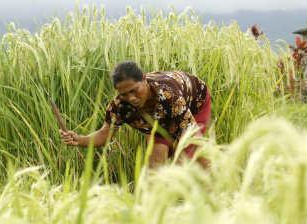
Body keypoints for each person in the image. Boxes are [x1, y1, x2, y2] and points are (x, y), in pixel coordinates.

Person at [60, 60, 212, 170]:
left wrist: (205, 174)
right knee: (154, 164)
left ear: (144, 79)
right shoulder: (120, 106)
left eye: (134, 90)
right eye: (124, 94)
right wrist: (80, 140)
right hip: (159, 119)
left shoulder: (169, 95)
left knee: (183, 162)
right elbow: (104, 135)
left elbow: (195, 139)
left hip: (194, 104)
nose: (131, 98)